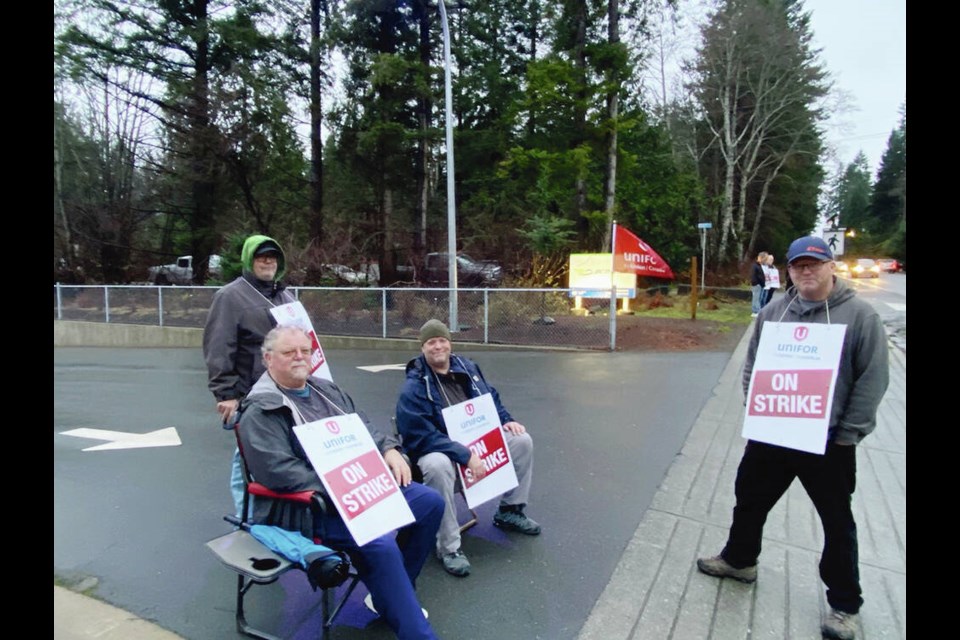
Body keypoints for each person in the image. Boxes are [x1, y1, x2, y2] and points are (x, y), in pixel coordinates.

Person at [696, 236, 889, 640]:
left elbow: (872, 380)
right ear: (788, 270)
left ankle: (844, 604)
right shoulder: (773, 312)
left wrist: (849, 434)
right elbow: (752, 364)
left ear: (830, 267)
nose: (806, 271)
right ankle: (740, 560)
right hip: (773, 435)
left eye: (814, 264)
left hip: (828, 441)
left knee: (837, 522)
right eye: (798, 265)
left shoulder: (860, 317)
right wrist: (757, 405)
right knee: (748, 500)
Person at [237, 326, 444, 640]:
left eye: (305, 351)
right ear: (268, 359)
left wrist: (390, 449)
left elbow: (364, 427)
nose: (299, 357)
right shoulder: (260, 409)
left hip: (359, 490)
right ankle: (417, 631)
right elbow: (276, 471)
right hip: (307, 509)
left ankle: (391, 594)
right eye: (288, 352)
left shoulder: (327, 391)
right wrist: (339, 487)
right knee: (379, 541)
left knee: (429, 502)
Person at [395, 319, 541, 578]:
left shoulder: (468, 368)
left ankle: (510, 511)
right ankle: (448, 547)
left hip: (479, 446)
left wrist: (507, 420)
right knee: (435, 463)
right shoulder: (415, 386)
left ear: (450, 343)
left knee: (521, 440)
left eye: (442, 340)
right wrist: (464, 454)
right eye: (431, 342)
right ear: (422, 348)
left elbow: (490, 399)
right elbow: (418, 436)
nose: (438, 346)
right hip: (448, 455)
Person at [203, 234, 296, 517]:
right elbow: (219, 346)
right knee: (245, 460)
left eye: (272, 255)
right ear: (248, 260)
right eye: (260, 256)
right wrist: (226, 395)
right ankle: (246, 521)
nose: (268, 261)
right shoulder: (231, 296)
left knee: (280, 456)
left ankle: (277, 518)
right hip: (251, 395)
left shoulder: (285, 296)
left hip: (288, 393)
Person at [750, 251, 768, 317]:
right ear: (761, 258)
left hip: (760, 284)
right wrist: (756, 283)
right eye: (765, 259)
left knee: (758, 298)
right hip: (756, 284)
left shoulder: (759, 265)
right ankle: (755, 311)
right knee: (756, 298)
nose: (765, 260)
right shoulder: (755, 266)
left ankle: (757, 310)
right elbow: (754, 275)